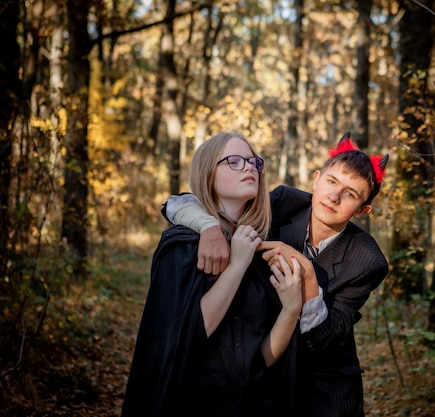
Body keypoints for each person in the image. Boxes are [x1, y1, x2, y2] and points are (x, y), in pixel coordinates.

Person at [165, 132, 390, 417]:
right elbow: (178, 203)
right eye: (332, 182)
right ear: (317, 179)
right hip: (264, 369)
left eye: (350, 194)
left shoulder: (368, 260)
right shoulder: (284, 203)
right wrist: (208, 226)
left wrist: (308, 278)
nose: (334, 197)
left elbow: (325, 339)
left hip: (322, 388)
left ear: (362, 210)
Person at [121, 132, 303, 417]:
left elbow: (260, 359)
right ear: (208, 174)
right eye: (233, 161)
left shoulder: (259, 245)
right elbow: (188, 336)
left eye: (253, 162)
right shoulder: (181, 247)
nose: (248, 168)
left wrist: (291, 310)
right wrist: (236, 265)